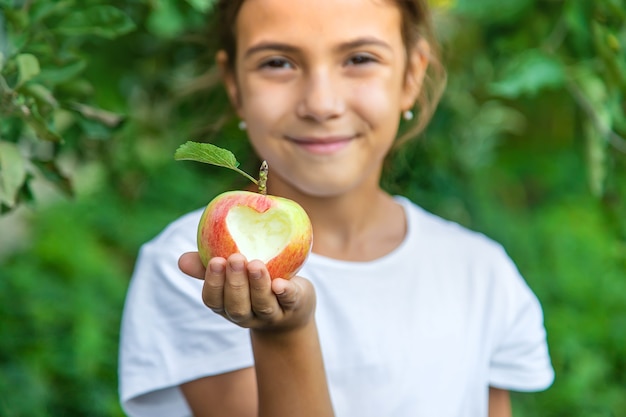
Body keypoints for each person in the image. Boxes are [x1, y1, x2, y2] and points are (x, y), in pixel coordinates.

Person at [118, 0, 555, 416]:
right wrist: (283, 332)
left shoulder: (482, 275)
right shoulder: (196, 272)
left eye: (360, 59)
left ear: (411, 77)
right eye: (277, 62)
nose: (321, 104)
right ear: (234, 86)